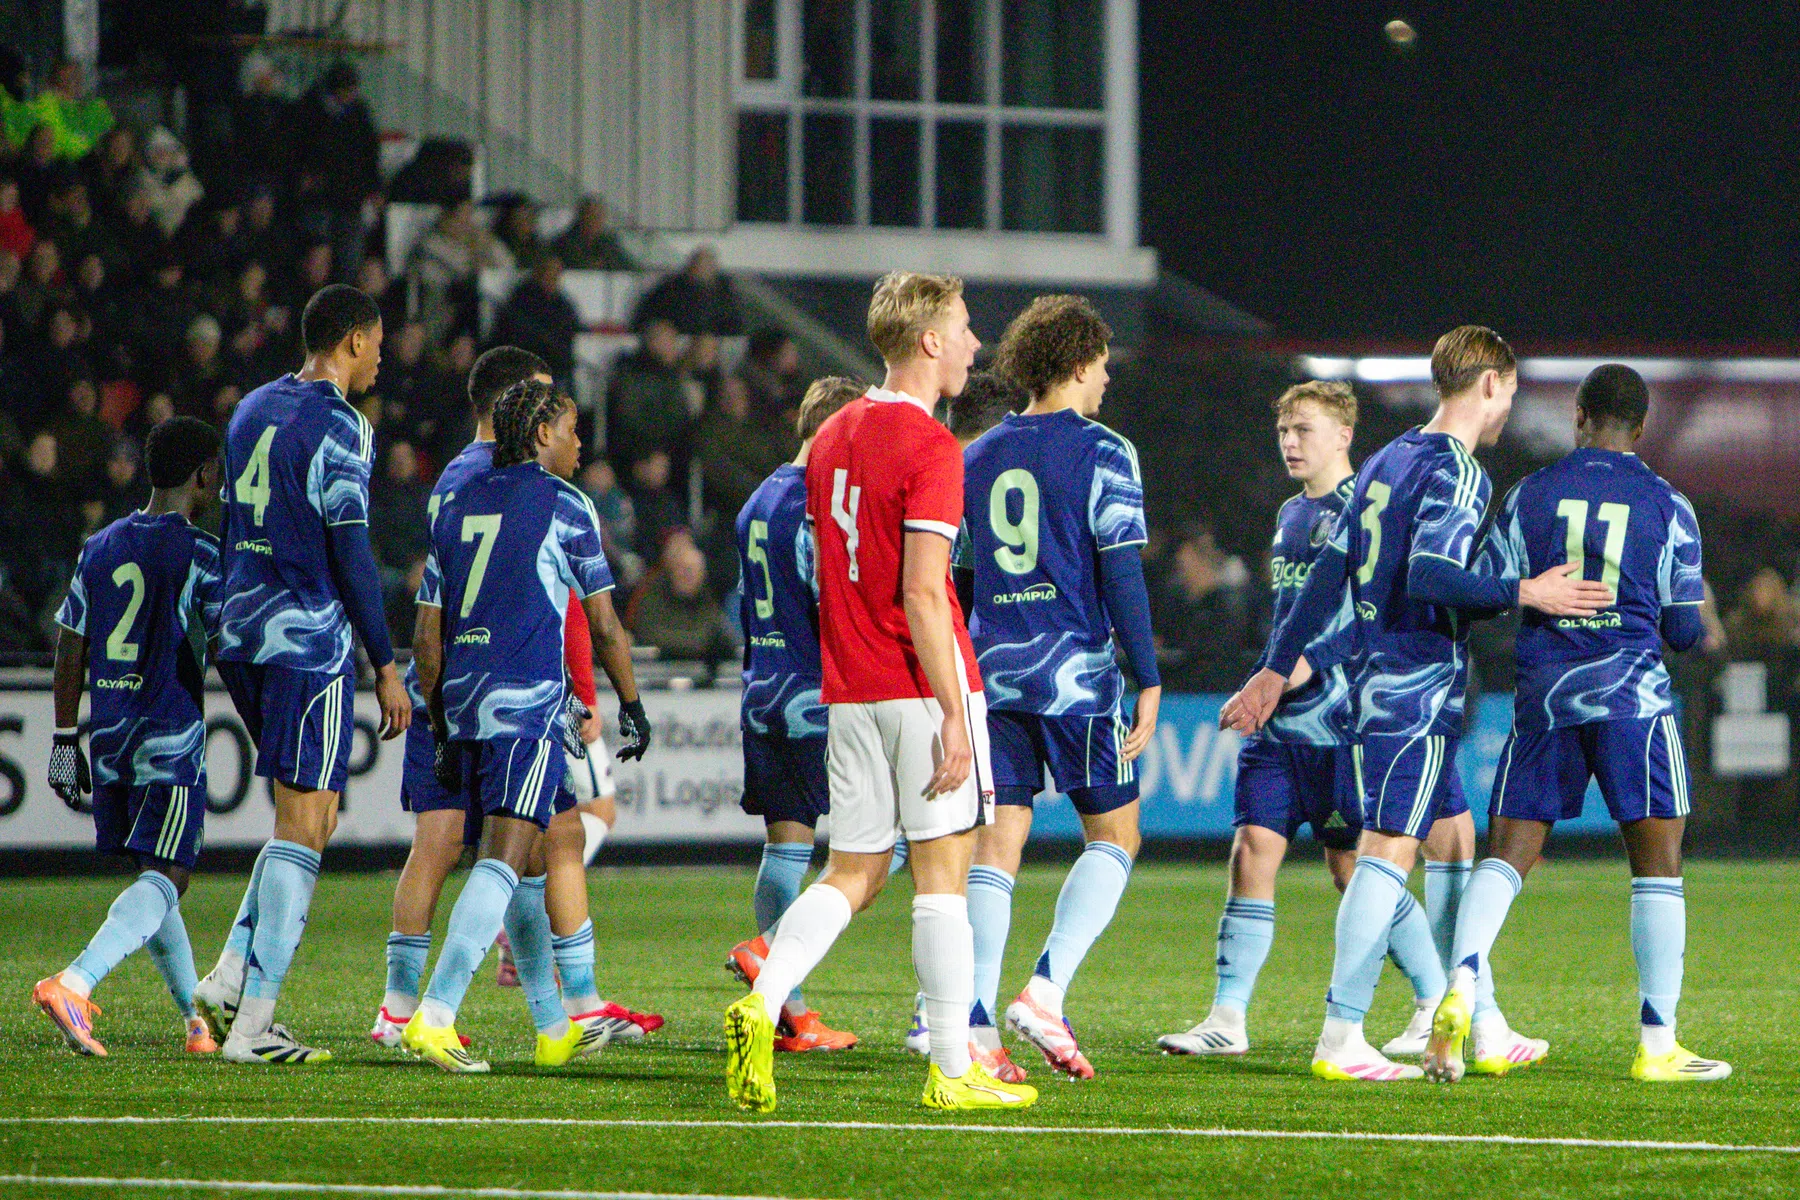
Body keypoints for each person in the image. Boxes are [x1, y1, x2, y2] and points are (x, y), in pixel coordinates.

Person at [1224, 326, 1612, 1082]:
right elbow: (1434, 573)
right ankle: (1341, 1035)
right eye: (1510, 395)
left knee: (1458, 844)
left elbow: (1329, 575)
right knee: (1385, 853)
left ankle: (1479, 1018)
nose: (1507, 413)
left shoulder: (1387, 459)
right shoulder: (1457, 471)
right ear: (1492, 384)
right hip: (1413, 685)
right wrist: (1524, 591)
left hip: (1380, 685)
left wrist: (1273, 670)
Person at [723, 270, 1036, 1112]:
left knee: (852, 869)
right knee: (942, 879)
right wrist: (954, 715)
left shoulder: (830, 440)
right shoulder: (933, 447)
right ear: (930, 340)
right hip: (918, 684)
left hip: (848, 691)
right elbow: (925, 593)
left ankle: (763, 1000)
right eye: (966, 328)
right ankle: (950, 1068)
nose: (975, 344)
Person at [1427, 364, 1728, 1083]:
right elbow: (1685, 630)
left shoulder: (1529, 494)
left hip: (1545, 699)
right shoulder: (1668, 504)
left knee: (1507, 857)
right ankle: (1659, 1045)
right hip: (1634, 705)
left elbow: (1480, 593)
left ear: (1580, 414)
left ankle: (1462, 986)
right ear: (1642, 426)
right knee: (1657, 868)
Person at [370, 348, 656, 1062]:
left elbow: (426, 632)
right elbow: (606, 623)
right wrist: (630, 700)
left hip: (460, 699)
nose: (581, 443)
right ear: (540, 434)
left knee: (547, 842)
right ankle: (429, 1011)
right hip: (523, 702)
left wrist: (437, 718)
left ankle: (557, 1021)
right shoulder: (565, 505)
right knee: (500, 855)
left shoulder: (456, 499)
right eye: (570, 428)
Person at [1157, 381, 1447, 1060]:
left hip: (1344, 726)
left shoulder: (1367, 512)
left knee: (1353, 869)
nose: (1290, 441)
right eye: (1284, 429)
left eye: (1304, 430)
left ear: (1343, 436)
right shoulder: (1289, 515)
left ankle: (1434, 996)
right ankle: (1227, 1018)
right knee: (1252, 852)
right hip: (1281, 725)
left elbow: (1375, 616)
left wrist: (1308, 666)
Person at [942, 296, 1160, 1082]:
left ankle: (973, 1021)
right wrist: (1149, 675)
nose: (1106, 379)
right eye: (1101, 364)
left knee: (997, 846)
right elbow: (1120, 570)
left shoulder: (975, 456)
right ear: (1076, 364)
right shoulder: (1106, 451)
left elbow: (961, 579)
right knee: (1116, 835)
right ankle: (1045, 988)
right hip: (1077, 677)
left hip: (992, 674)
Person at [193, 285, 412, 1065]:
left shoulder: (252, 406)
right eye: (377, 342)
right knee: (307, 820)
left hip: (240, 627)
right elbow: (350, 544)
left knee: (306, 816)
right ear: (352, 341)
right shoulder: (343, 425)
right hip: (303, 635)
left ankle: (225, 982)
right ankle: (253, 1026)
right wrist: (384, 663)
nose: (383, 356)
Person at [30, 417, 224, 1058]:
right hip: (169, 736)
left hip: (109, 734)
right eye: (217, 473)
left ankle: (195, 1019)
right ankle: (75, 982)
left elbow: (70, 649)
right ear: (204, 475)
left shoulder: (101, 546)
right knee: (170, 872)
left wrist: (64, 739)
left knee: (154, 872)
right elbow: (229, 640)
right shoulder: (199, 551)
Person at [724, 375, 864, 1054]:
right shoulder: (818, 509)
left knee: (785, 847)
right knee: (888, 841)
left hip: (763, 692)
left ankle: (792, 1015)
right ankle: (769, 948)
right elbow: (833, 609)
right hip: (818, 698)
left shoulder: (756, 502)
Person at [552, 196, 633, 270]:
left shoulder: (608, 241)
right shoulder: (564, 242)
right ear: (582, 216)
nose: (597, 221)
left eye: (600, 217)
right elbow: (573, 263)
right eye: (593, 216)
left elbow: (623, 262)